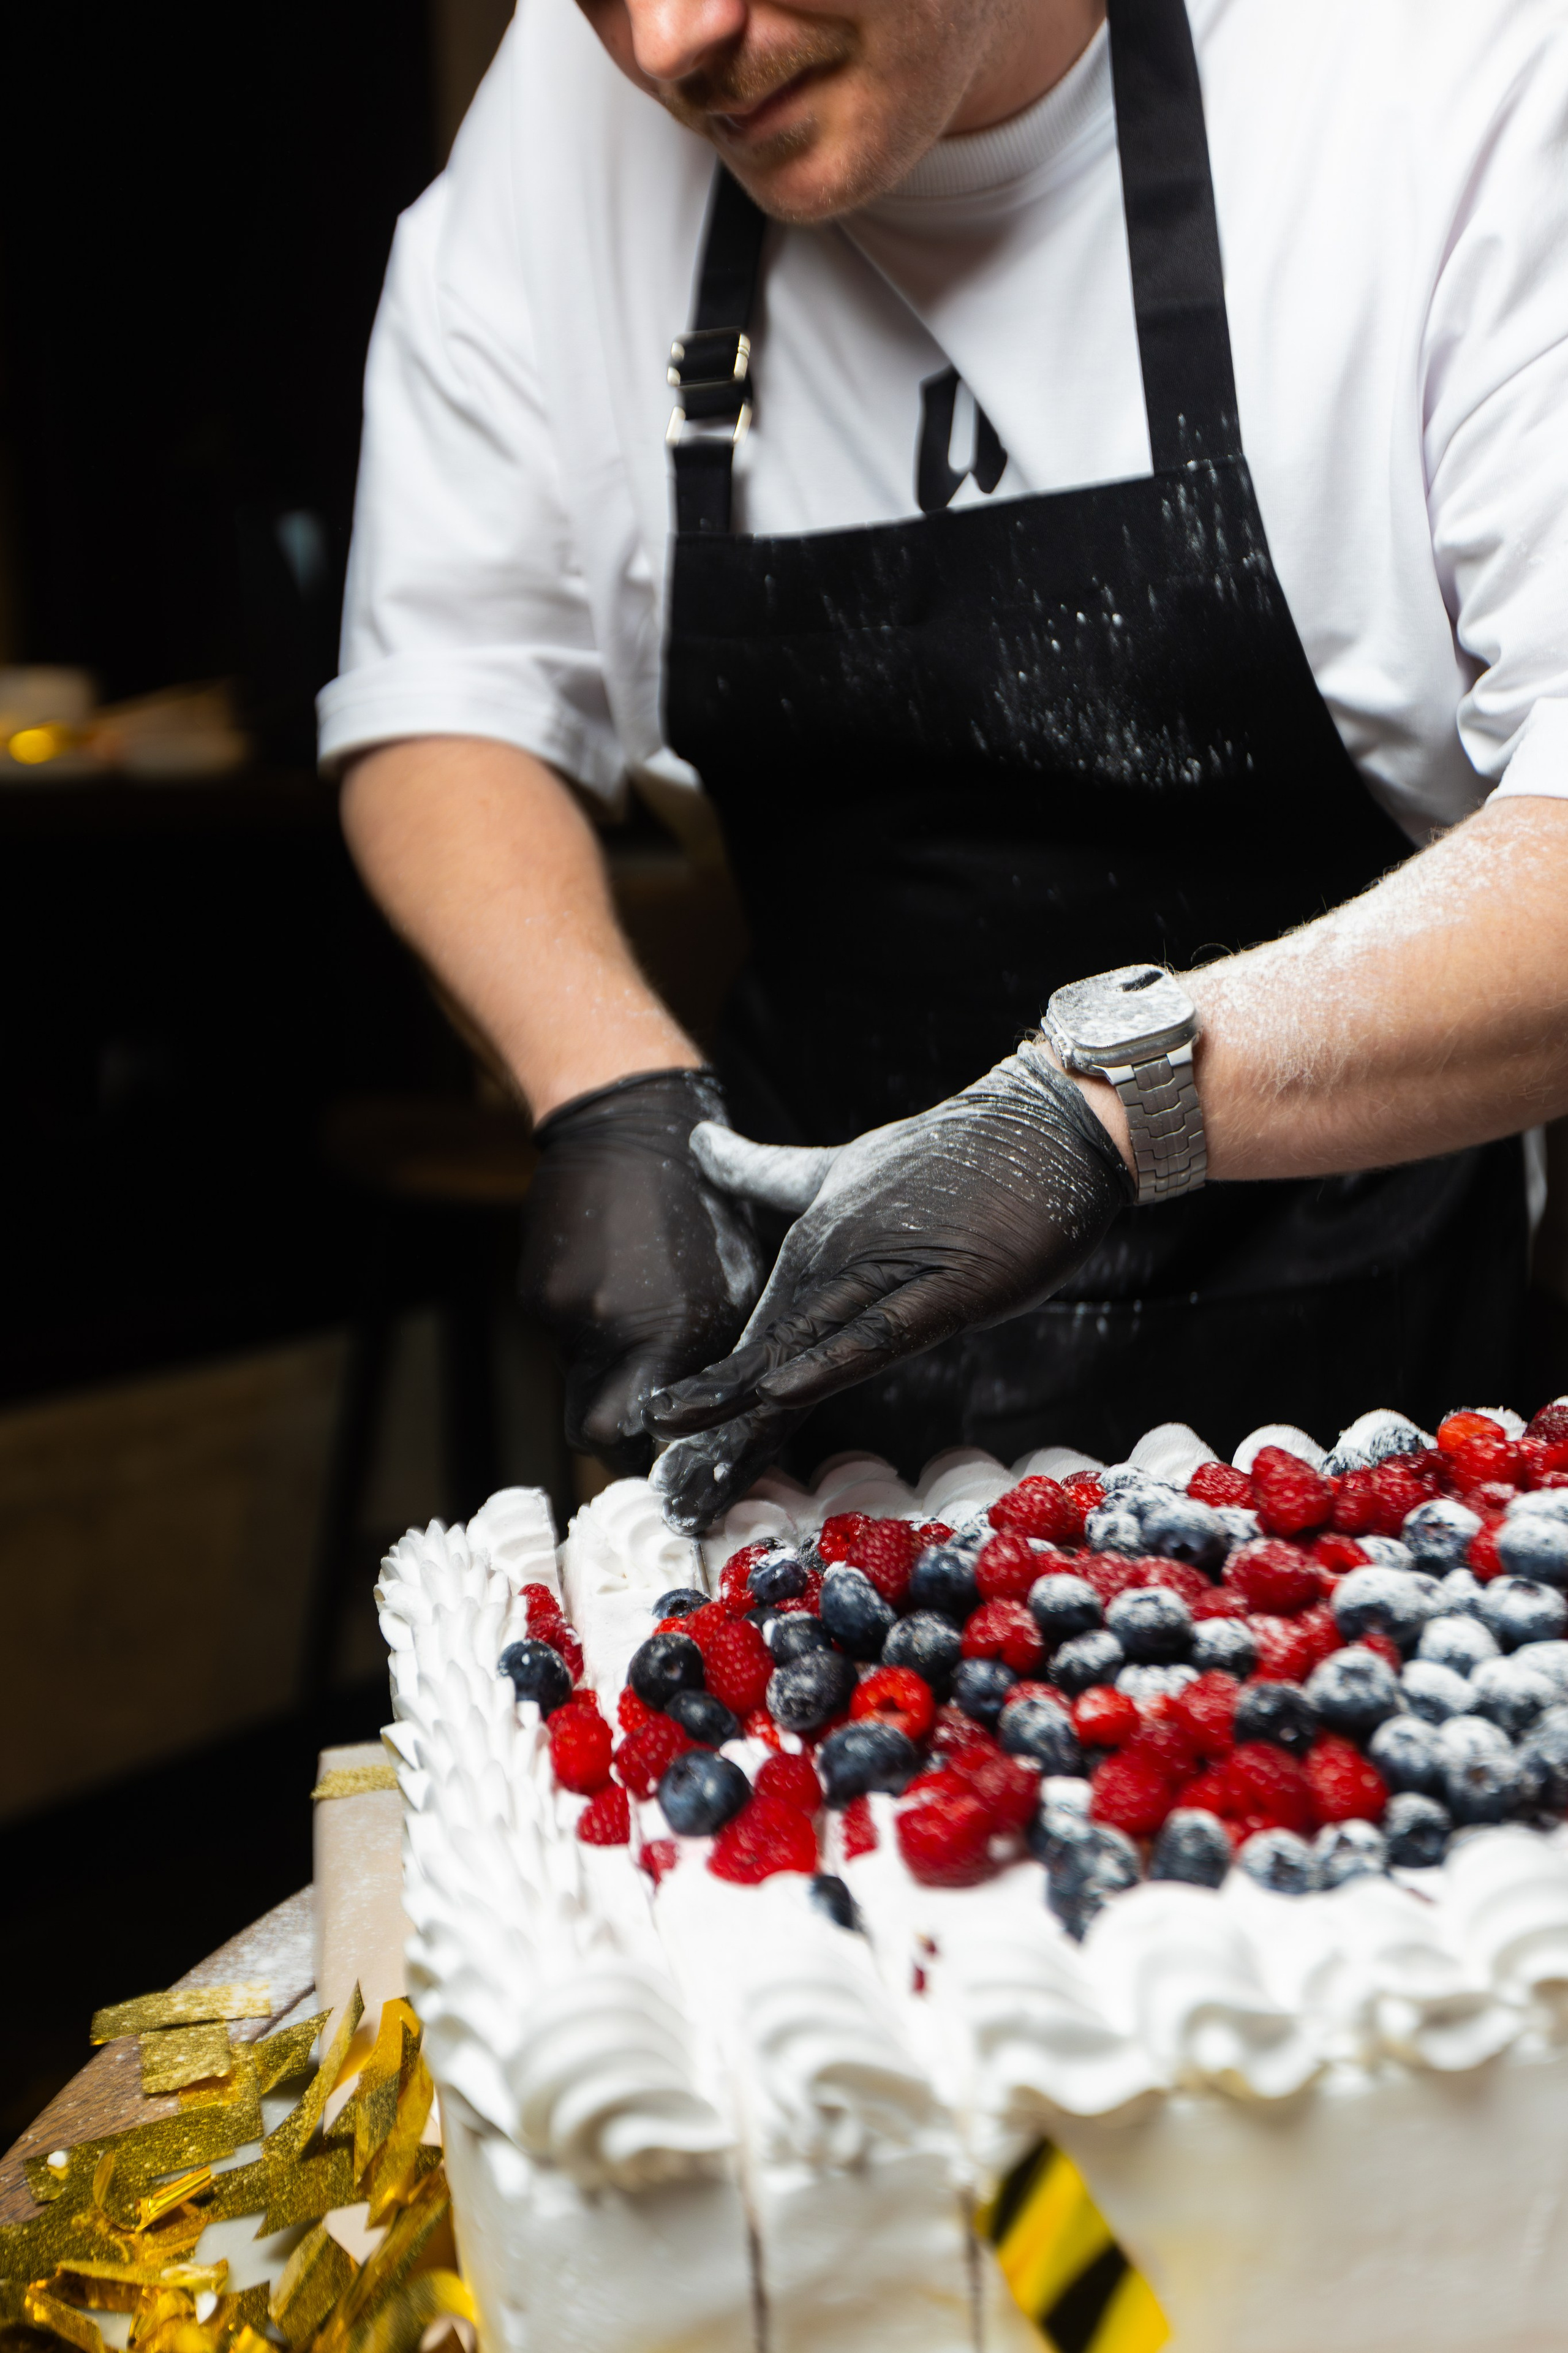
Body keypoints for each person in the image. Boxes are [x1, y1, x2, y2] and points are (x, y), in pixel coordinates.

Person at [321, 0, 1568, 1532]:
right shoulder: (566, 116)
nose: (665, 43)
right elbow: (448, 690)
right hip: (791, 1423)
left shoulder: (1453, 74)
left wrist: (1096, 1111)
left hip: (1345, 1419)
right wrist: (600, 1082)